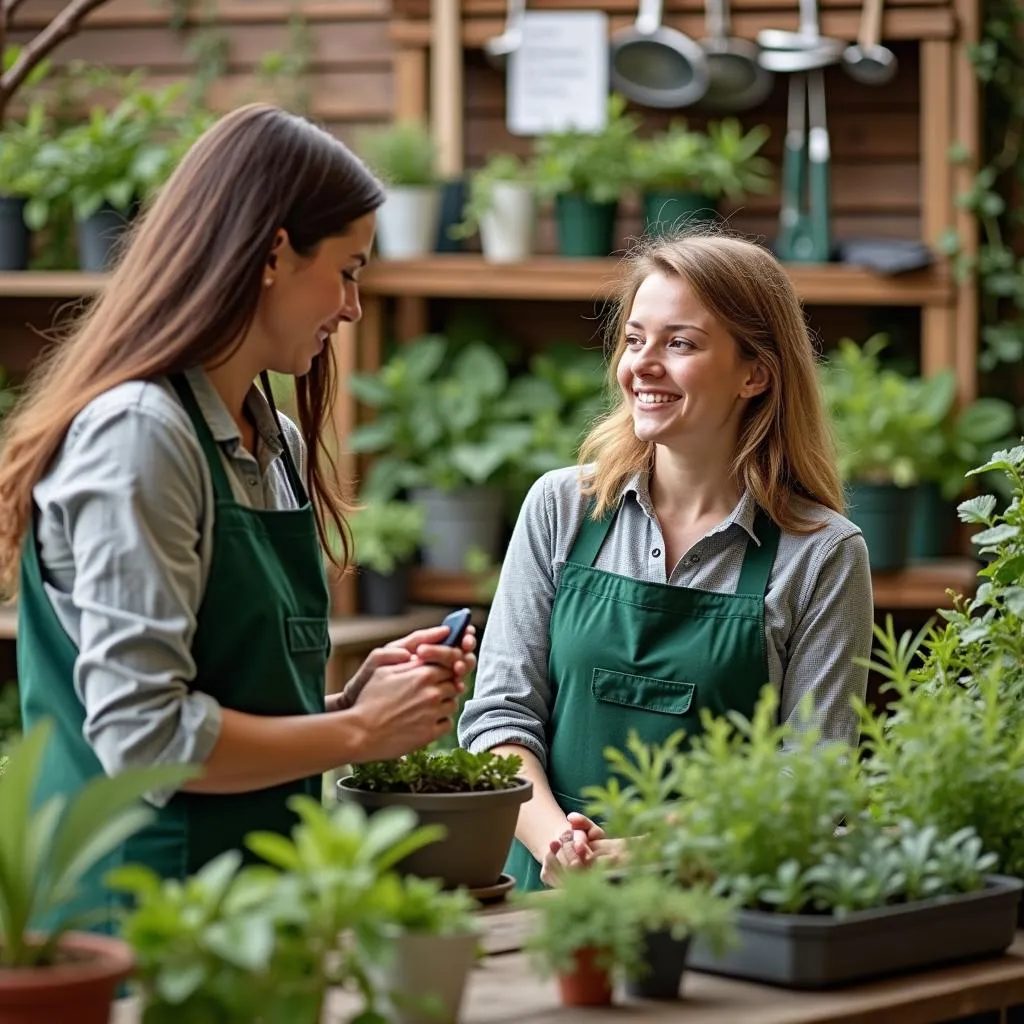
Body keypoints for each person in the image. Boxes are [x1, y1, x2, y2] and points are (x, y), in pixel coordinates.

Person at [0, 104, 475, 931]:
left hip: (247, 914)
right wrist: (359, 733)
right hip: (135, 921)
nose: (357, 307)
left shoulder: (272, 437)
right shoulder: (141, 437)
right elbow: (146, 742)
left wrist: (344, 708)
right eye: (350, 269)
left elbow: (219, 702)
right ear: (272, 252)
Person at [457, 232, 873, 892]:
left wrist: (640, 855)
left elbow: (809, 780)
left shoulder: (821, 552)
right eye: (635, 339)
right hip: (544, 897)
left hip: (716, 913)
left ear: (755, 373)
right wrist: (561, 845)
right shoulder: (562, 508)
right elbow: (499, 717)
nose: (642, 365)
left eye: (680, 343)